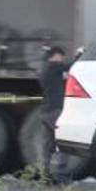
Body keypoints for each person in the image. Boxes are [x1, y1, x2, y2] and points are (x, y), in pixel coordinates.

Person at [38, 46, 71, 182]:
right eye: (61, 57)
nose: (62, 60)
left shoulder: (44, 69)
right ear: (56, 55)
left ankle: (44, 175)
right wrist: (80, 54)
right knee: (64, 141)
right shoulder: (53, 67)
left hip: (45, 111)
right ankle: (60, 174)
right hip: (55, 111)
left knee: (48, 145)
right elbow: (70, 66)